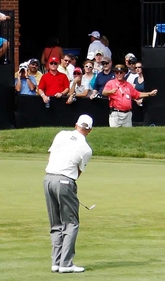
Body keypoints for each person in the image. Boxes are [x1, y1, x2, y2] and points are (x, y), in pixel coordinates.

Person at [44, 114, 94, 274]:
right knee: (71, 223)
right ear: (90, 130)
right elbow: (78, 172)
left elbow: (50, 157)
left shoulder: (61, 134)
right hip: (65, 182)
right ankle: (66, 264)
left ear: (76, 124)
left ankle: (56, 262)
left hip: (48, 179)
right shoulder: (86, 149)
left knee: (56, 223)